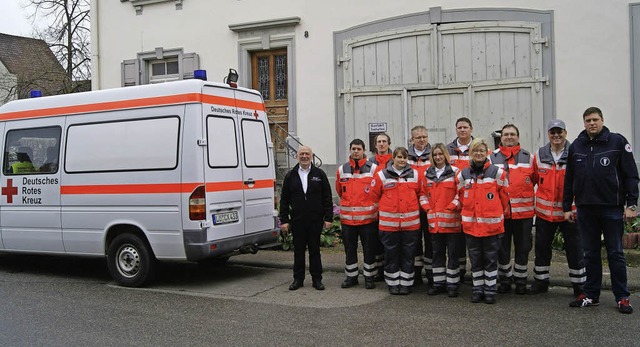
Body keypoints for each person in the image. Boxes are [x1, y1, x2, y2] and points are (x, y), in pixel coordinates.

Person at [564, 106, 639, 314]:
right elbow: (569, 179)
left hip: (611, 208)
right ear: (584, 123)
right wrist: (566, 206)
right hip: (585, 209)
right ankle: (591, 295)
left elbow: (631, 175)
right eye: (588, 120)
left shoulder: (617, 142)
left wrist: (631, 204)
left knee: (615, 254)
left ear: (602, 120)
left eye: (595, 119)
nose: (592, 123)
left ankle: (622, 297)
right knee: (590, 254)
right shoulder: (577, 146)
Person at [529, 119, 585, 295]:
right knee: (542, 248)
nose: (556, 135)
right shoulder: (539, 155)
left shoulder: (575, 153)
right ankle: (541, 282)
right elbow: (534, 179)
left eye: (559, 132)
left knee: (575, 249)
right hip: (545, 213)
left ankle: (579, 285)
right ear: (548, 134)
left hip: (570, 213)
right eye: (553, 132)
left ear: (565, 133)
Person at [457, 138, 509, 304]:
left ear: (486, 152)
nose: (478, 153)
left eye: (481, 150)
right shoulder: (463, 174)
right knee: (475, 259)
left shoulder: (498, 173)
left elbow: (504, 198)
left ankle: (490, 290)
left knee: (491, 259)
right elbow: (460, 197)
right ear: (471, 153)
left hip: (491, 226)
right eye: (475, 150)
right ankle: (478, 289)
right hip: (471, 226)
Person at [279, 145, 333, 291]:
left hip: (315, 220)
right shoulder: (291, 175)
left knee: (314, 250)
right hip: (297, 221)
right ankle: (298, 279)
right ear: (297, 156)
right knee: (298, 251)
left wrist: (328, 218)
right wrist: (284, 220)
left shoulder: (319, 174)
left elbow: (327, 197)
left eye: (307, 154)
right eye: (301, 154)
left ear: (311, 156)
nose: (304, 156)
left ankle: (317, 279)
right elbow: (284, 200)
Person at [489, 124, 535, 295]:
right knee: (502, 248)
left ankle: (521, 280)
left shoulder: (529, 157)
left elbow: (535, 179)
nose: (509, 137)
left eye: (513, 134)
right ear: (501, 138)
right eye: (506, 134)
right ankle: (505, 280)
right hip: (502, 213)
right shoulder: (491, 158)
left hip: (524, 214)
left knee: (523, 248)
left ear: (518, 137)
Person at [371, 147, 422, 295]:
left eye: (404, 157)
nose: (402, 160)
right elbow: (374, 196)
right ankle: (393, 283)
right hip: (389, 225)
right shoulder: (381, 175)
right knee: (391, 254)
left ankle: (406, 283)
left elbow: (420, 194)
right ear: (393, 158)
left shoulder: (415, 175)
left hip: (410, 224)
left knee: (408, 254)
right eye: (399, 157)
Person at [420, 143, 462, 297]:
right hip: (435, 223)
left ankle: (452, 284)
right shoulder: (427, 174)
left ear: (446, 155)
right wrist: (427, 209)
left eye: (440, 154)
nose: (438, 157)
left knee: (452, 254)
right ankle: (438, 283)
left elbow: (461, 193)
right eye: (435, 154)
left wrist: (453, 205)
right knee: (437, 254)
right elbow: (422, 194)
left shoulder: (456, 172)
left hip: (451, 222)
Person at [336, 139, 378, 290]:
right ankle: (351, 276)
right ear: (350, 150)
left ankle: (369, 277)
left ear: (363, 150)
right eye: (353, 148)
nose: (355, 151)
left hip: (368, 219)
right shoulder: (342, 169)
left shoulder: (373, 169)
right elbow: (340, 191)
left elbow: (377, 191)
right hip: (348, 220)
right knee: (349, 249)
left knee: (369, 249)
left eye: (358, 149)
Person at [447, 117, 474, 280]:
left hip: (472, 201)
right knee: (456, 240)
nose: (462, 130)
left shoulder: (479, 148)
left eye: (465, 127)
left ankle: (474, 272)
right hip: (454, 200)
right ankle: (460, 271)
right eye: (459, 127)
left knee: (472, 239)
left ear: (471, 129)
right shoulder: (447, 149)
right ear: (456, 130)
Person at [407, 125, 432, 287]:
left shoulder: (434, 155)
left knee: (430, 241)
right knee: (414, 241)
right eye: (418, 137)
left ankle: (430, 274)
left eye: (424, 136)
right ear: (412, 140)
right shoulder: (405, 156)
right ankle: (416, 274)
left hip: (430, 205)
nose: (422, 140)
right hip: (411, 206)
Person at [368, 133, 393, 281]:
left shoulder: (395, 161)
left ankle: (390, 268)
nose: (382, 144)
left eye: (384, 141)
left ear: (389, 144)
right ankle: (378, 270)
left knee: (389, 242)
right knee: (376, 242)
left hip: (390, 209)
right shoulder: (370, 163)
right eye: (379, 142)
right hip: (375, 208)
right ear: (375, 145)